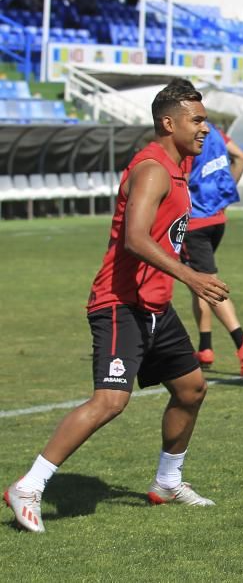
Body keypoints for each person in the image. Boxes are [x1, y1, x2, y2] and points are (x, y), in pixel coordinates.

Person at [3, 79, 227, 533]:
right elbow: (136, 238)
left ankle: (167, 482)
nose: (206, 128)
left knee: (191, 389)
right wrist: (192, 277)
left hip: (155, 306)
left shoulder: (179, 168)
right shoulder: (153, 169)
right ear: (169, 122)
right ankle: (29, 485)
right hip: (119, 303)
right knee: (110, 401)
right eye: (197, 119)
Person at [182, 122, 243, 376]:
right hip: (217, 218)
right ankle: (205, 348)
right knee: (198, 282)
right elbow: (241, 156)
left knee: (207, 283)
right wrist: (225, 194)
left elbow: (180, 180)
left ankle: (241, 339)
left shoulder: (185, 135)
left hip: (195, 222)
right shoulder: (214, 131)